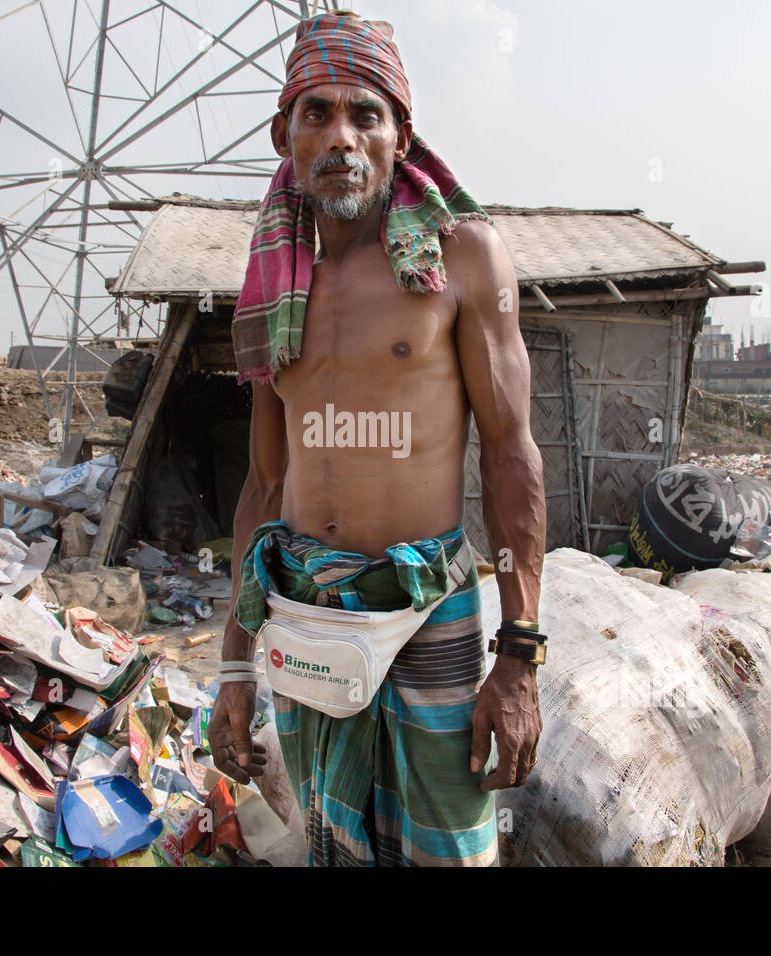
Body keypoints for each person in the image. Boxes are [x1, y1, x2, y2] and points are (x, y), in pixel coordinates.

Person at [208, 12, 545, 867]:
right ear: (284, 135)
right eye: (315, 114)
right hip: (301, 603)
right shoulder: (274, 283)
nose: (341, 137)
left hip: (426, 606)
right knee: (331, 837)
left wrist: (520, 654)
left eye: (366, 114)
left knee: (448, 842)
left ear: (401, 135)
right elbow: (260, 486)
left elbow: (512, 455)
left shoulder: (460, 256)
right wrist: (235, 671)